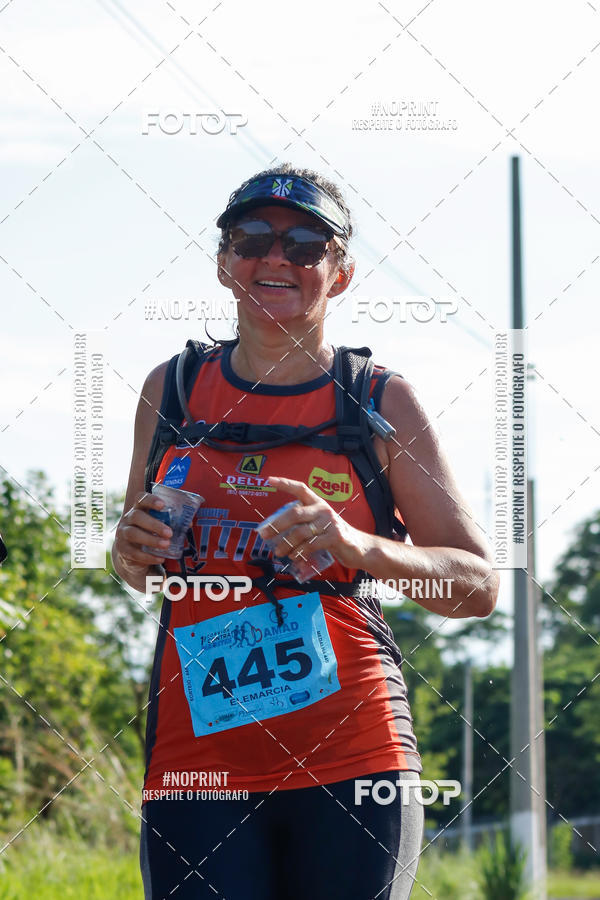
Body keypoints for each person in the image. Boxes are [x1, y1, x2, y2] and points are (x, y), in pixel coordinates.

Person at [112, 164, 499, 899]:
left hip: (353, 762)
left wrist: (358, 547)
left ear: (341, 274)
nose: (275, 259)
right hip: (198, 766)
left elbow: (475, 586)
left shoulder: (379, 401)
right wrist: (130, 551)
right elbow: (137, 565)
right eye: (252, 238)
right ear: (226, 264)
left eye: (305, 244)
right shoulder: (173, 389)